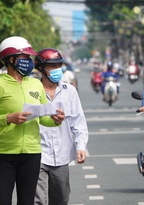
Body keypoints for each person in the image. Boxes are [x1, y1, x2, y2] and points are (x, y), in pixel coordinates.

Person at [0, 36, 65, 205]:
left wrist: (55, 120)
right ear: (12, 59)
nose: (30, 61)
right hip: (4, 154)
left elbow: (43, 117)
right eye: (25, 57)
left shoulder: (35, 84)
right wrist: (7, 118)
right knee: (2, 201)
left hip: (32, 153)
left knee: (27, 201)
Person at [34, 48, 89, 205]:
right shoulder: (31, 92)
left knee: (61, 199)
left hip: (62, 155)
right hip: (37, 154)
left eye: (59, 65)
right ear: (41, 68)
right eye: (52, 66)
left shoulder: (70, 91)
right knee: (38, 200)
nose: (57, 69)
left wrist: (80, 147)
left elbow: (78, 122)